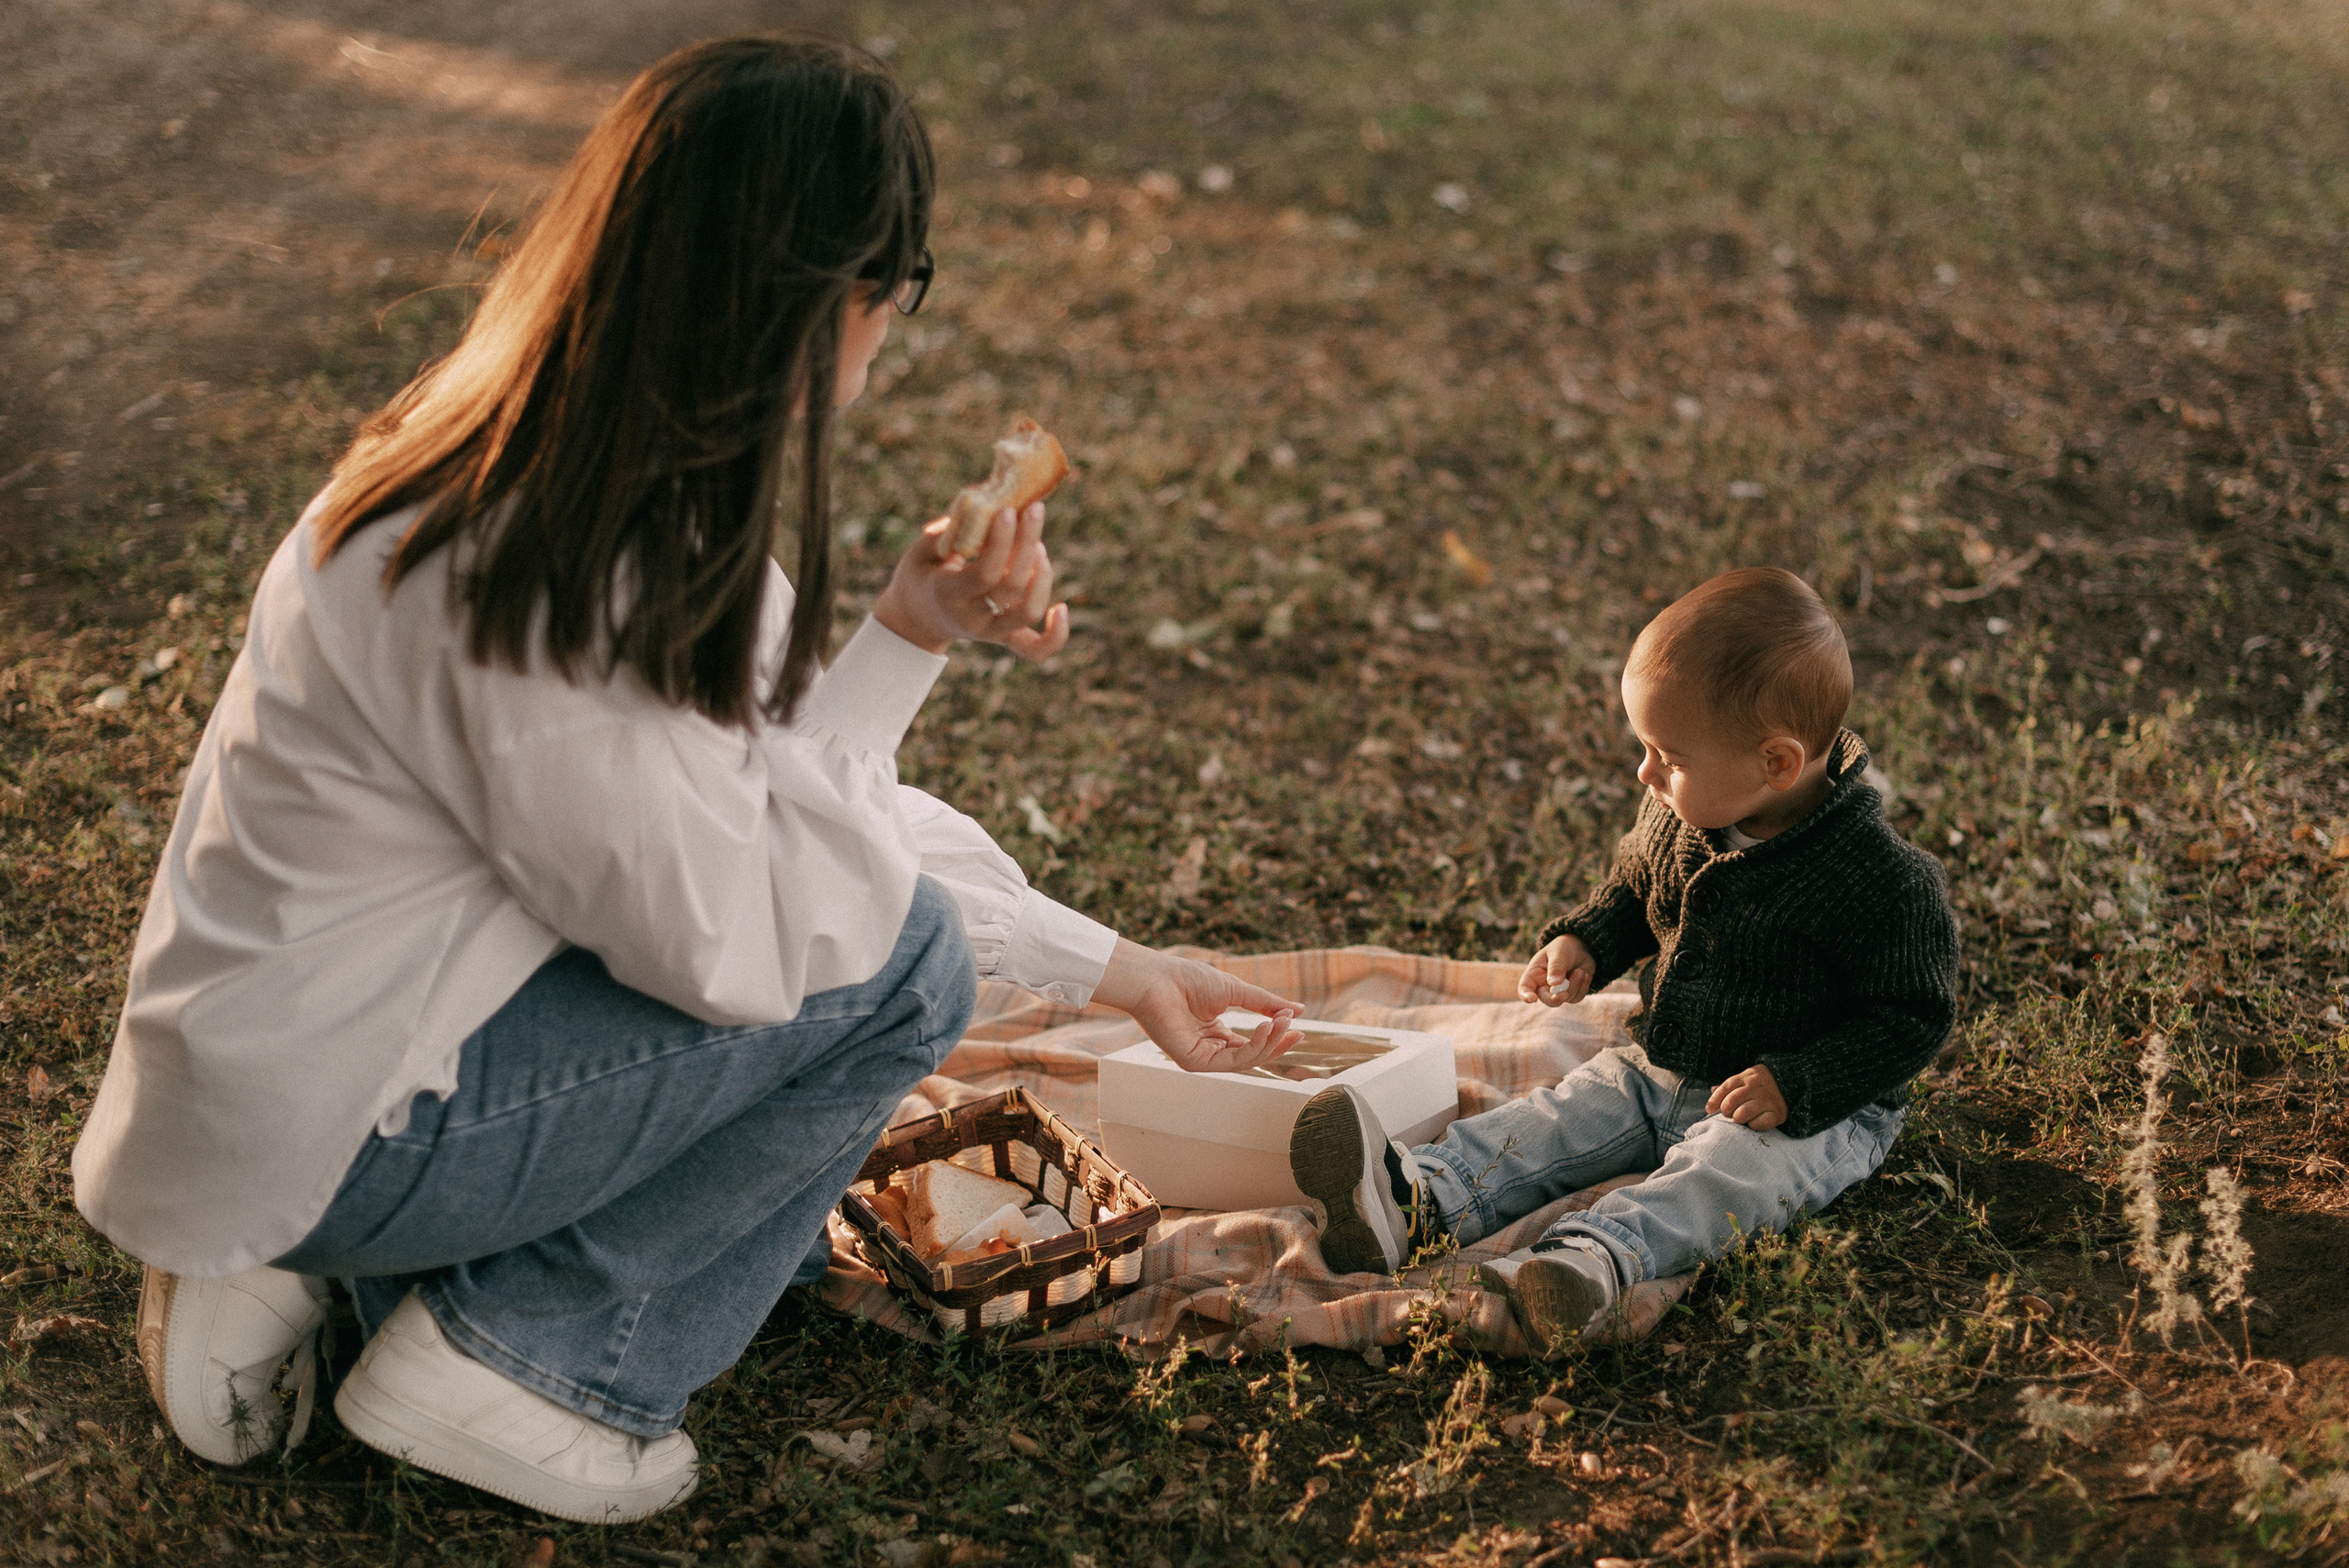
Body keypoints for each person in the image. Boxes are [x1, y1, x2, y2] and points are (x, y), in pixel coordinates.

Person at [72, 33, 1302, 1523]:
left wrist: (920, 655)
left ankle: (319, 1262)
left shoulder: (517, 445)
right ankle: (524, 1355)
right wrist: (940, 915)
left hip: (293, 1057)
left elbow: (773, 804)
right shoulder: (568, 565)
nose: (891, 332)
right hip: (347, 1112)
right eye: (896, 291)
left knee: (804, 1141)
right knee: (900, 975)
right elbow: (749, 939)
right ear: (824, 294)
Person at [1287, 567, 1957, 1352]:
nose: (1646, 773)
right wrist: (1588, 940)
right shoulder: (1686, 806)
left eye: (1665, 755)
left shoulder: (1880, 879)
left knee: (1730, 1175)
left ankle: (1593, 1260)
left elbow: (1913, 1017)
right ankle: (1416, 1198)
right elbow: (1640, 888)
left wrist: (1800, 1081)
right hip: (1664, 1064)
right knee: (1561, 1116)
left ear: (1777, 763)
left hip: (1810, 1107)